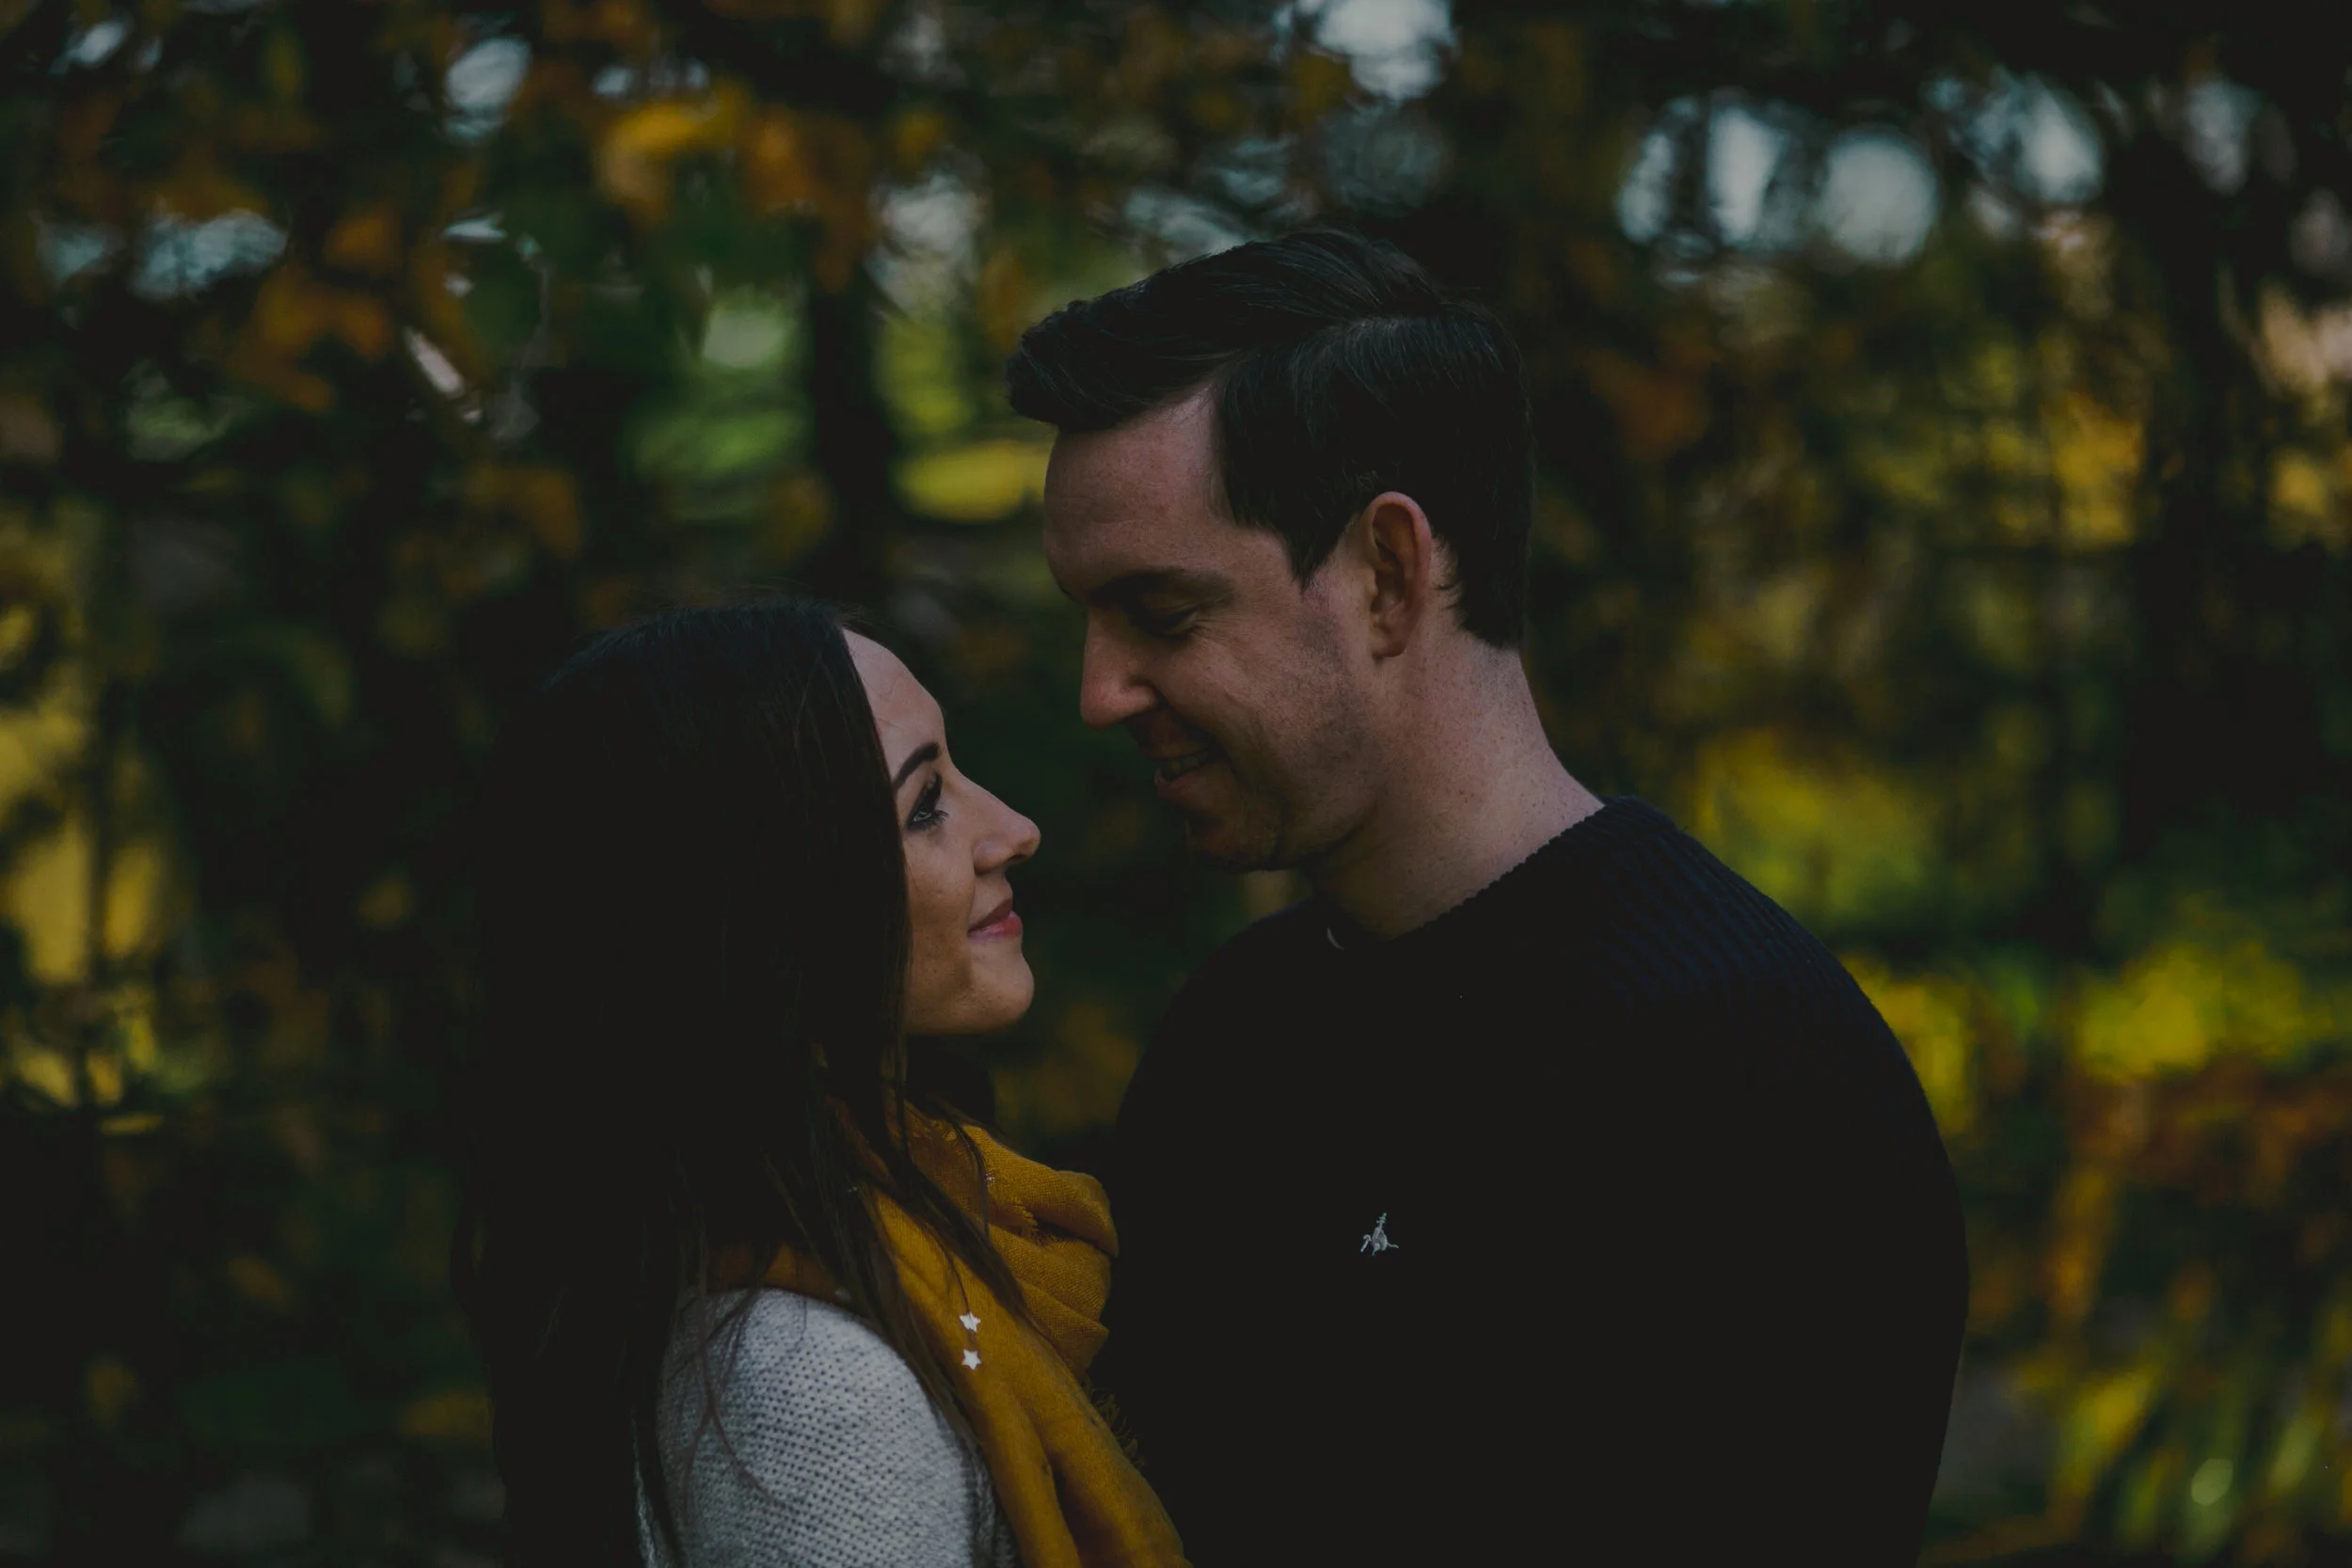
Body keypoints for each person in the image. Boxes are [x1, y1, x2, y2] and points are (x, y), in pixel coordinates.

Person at [1006, 230, 1969, 1563]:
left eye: (1161, 614)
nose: (1097, 691)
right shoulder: (1239, 1030)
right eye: (1087, 620)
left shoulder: (1731, 1069)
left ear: (1390, 574)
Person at [452, 601, 1187, 1568]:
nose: (1013, 829)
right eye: (924, 802)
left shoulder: (907, 1235)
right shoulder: (816, 1393)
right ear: (761, 911)